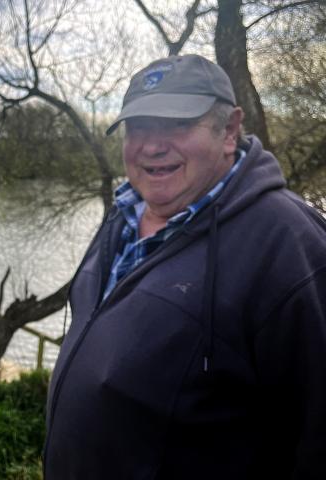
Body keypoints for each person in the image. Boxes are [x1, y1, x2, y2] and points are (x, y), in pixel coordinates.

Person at [43, 54, 326, 479]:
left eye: (176, 124)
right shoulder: (123, 215)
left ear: (229, 130)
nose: (152, 145)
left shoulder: (289, 244)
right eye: (138, 128)